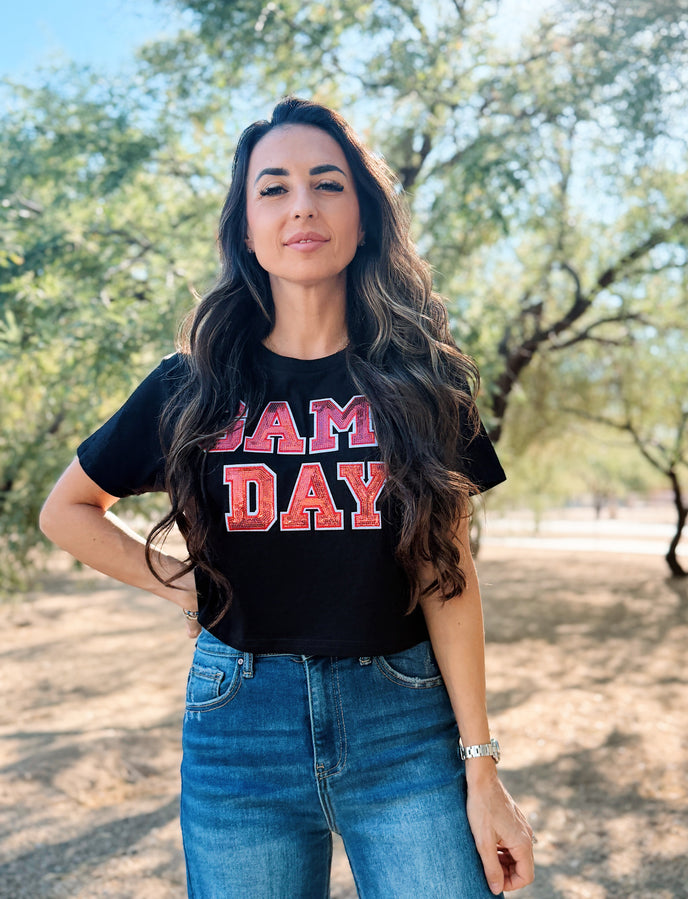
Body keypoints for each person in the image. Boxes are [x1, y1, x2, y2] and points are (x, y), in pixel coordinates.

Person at [40, 97, 535, 898]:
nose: (301, 204)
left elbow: (449, 574)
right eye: (272, 188)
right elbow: (66, 509)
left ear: (364, 219)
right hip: (239, 725)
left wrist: (483, 771)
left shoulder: (426, 381)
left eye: (326, 183)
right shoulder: (190, 384)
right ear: (245, 228)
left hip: (404, 725)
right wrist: (189, 582)